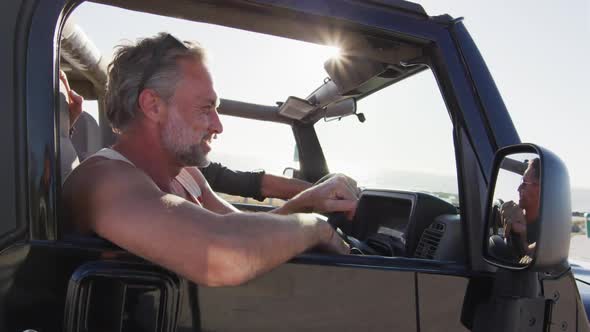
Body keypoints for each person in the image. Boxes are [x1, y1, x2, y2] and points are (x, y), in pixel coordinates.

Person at [62, 33, 358, 287]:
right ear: (153, 105)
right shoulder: (104, 180)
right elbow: (220, 254)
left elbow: (240, 228)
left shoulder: (186, 173)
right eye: (206, 109)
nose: (218, 126)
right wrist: (317, 226)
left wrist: (307, 201)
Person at [499, 158, 540, 262]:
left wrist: (523, 233)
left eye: (525, 183)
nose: (518, 188)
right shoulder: (514, 213)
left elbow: (530, 256)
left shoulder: (548, 230)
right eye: (522, 182)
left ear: (543, 188)